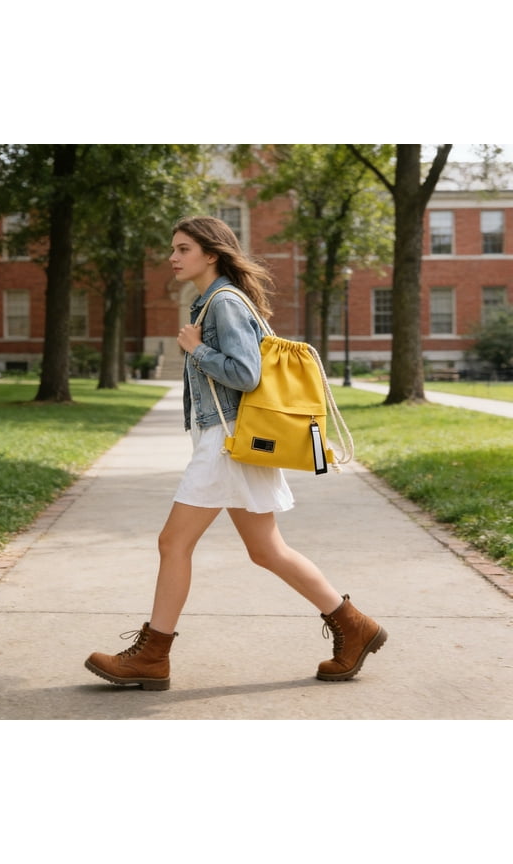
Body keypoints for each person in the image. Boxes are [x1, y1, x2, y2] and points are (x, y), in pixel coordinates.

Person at [85, 216, 387, 690]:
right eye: (173, 249)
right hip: (236, 441)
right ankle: (355, 626)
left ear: (211, 254)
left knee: (173, 543)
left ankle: (151, 656)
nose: (173, 257)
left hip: (226, 444)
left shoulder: (222, 303)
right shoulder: (214, 301)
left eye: (183, 249)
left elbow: (246, 374)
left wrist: (195, 350)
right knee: (267, 549)